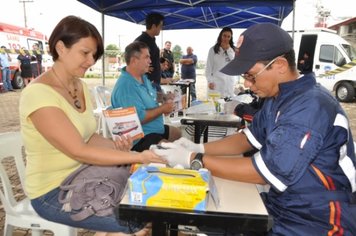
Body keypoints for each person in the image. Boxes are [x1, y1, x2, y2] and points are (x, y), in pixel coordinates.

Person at [153, 23, 356, 235]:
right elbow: (247, 139)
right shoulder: (278, 97)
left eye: (251, 75)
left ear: (279, 65)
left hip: (319, 218)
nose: (248, 84)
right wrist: (200, 147)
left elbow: (264, 171)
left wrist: (193, 158)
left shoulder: (309, 106)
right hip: (285, 204)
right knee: (213, 221)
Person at [19, 15, 166, 236]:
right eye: (85, 53)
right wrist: (138, 156)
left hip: (85, 175)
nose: (91, 61)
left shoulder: (78, 86)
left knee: (145, 199)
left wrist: (116, 145)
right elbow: (79, 150)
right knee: (135, 220)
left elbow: (89, 137)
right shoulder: (38, 94)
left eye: (93, 55)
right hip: (51, 192)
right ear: (60, 48)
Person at [111, 41, 182, 152]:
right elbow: (138, 119)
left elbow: (151, 95)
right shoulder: (127, 86)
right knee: (175, 151)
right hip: (139, 139)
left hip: (153, 129)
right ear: (134, 60)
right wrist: (162, 109)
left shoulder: (142, 77)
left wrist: (164, 97)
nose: (150, 61)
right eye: (146, 57)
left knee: (178, 133)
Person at [134, 12, 164, 92]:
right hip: (147, 84)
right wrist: (143, 67)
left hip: (154, 82)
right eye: (160, 26)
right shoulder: (141, 41)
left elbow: (152, 59)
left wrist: (158, 65)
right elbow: (131, 60)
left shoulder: (151, 40)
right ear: (154, 26)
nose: (161, 29)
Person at [205, 27, 237, 98]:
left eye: (228, 37)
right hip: (216, 83)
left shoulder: (233, 50)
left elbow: (235, 64)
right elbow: (208, 67)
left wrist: (229, 50)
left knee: (228, 104)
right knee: (215, 105)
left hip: (229, 82)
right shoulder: (213, 50)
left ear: (231, 38)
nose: (226, 38)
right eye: (224, 36)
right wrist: (210, 81)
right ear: (220, 36)